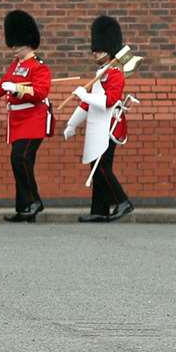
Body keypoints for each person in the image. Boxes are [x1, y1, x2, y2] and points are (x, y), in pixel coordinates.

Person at [0, 10, 53, 222]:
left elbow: (41, 92)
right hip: (18, 122)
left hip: (33, 120)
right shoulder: (16, 65)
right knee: (23, 162)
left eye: (17, 44)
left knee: (20, 159)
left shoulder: (39, 66)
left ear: (28, 43)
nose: (13, 48)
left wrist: (17, 89)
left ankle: (34, 201)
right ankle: (24, 208)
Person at [66, 15, 137, 222]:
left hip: (110, 124)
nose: (94, 51)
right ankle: (99, 210)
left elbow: (109, 100)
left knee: (102, 165)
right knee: (95, 165)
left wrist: (84, 94)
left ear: (109, 49)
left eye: (98, 48)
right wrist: (72, 123)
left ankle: (122, 201)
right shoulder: (102, 72)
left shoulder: (115, 73)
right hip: (98, 124)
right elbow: (88, 104)